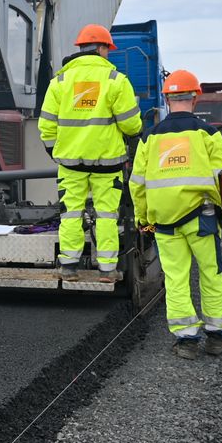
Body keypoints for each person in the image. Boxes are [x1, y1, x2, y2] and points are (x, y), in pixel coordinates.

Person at [129, 69, 222, 359]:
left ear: (166, 99)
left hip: (164, 222)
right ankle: (216, 336)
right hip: (201, 219)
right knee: (211, 274)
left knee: (175, 278)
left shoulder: (149, 138)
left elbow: (137, 184)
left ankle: (186, 341)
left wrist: (143, 219)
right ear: (195, 98)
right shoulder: (208, 134)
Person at [38, 24, 142, 281]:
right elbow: (132, 125)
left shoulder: (60, 82)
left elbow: (46, 125)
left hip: (71, 163)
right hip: (108, 163)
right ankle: (107, 270)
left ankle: (69, 267)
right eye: (108, 49)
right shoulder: (116, 80)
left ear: (81, 49)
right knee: (107, 215)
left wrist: (56, 152)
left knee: (71, 213)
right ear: (102, 48)